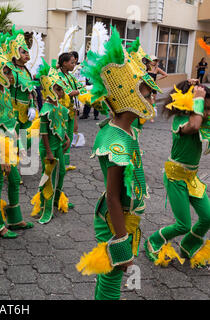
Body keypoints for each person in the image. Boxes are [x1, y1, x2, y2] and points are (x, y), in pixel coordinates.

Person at [76, 27, 161, 300]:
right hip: (115, 220)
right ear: (130, 98)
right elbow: (113, 195)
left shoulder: (127, 129)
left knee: (107, 276)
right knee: (112, 280)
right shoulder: (117, 142)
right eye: (147, 94)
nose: (152, 99)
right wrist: (122, 239)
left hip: (124, 216)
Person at [144, 81, 210, 269]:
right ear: (191, 103)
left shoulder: (201, 117)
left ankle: (188, 246)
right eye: (204, 107)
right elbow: (195, 125)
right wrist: (198, 98)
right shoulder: (182, 121)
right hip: (176, 178)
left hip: (192, 178)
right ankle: (154, 240)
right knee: (183, 225)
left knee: (208, 217)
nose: (207, 112)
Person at [0, 34, 34, 240]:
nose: (10, 76)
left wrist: (17, 144)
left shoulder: (4, 91)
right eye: (6, 72)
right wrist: (0, 155)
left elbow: (10, 121)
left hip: (9, 143)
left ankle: (14, 218)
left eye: (10, 73)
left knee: (15, 179)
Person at [30, 59, 71, 224]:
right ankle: (46, 208)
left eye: (61, 90)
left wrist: (67, 138)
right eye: (57, 89)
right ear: (48, 89)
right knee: (48, 177)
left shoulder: (59, 108)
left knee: (61, 173)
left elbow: (61, 125)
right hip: (48, 148)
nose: (60, 93)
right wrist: (48, 152)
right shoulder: (46, 109)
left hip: (59, 145)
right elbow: (44, 133)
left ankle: (56, 200)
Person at [56, 52, 89, 171]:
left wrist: (85, 89)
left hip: (70, 111)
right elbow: (69, 92)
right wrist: (84, 90)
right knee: (62, 137)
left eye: (75, 63)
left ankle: (65, 163)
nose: (74, 65)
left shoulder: (70, 76)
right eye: (72, 62)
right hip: (61, 111)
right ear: (64, 63)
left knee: (69, 136)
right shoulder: (59, 76)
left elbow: (79, 87)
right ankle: (58, 162)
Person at [147, 56, 168, 122]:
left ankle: (151, 117)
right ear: (149, 61)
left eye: (155, 61)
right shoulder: (145, 68)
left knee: (153, 102)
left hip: (153, 87)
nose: (154, 62)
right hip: (146, 86)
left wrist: (156, 79)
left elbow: (165, 74)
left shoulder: (156, 69)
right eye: (153, 60)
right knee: (146, 101)